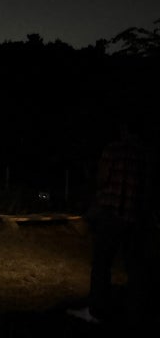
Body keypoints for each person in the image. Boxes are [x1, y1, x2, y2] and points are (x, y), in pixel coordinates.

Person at [68, 121, 152, 325]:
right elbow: (148, 186)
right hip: (135, 216)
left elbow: (102, 179)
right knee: (134, 267)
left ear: (124, 129)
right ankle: (135, 313)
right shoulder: (144, 154)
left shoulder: (113, 150)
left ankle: (97, 311)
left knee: (101, 265)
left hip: (110, 214)